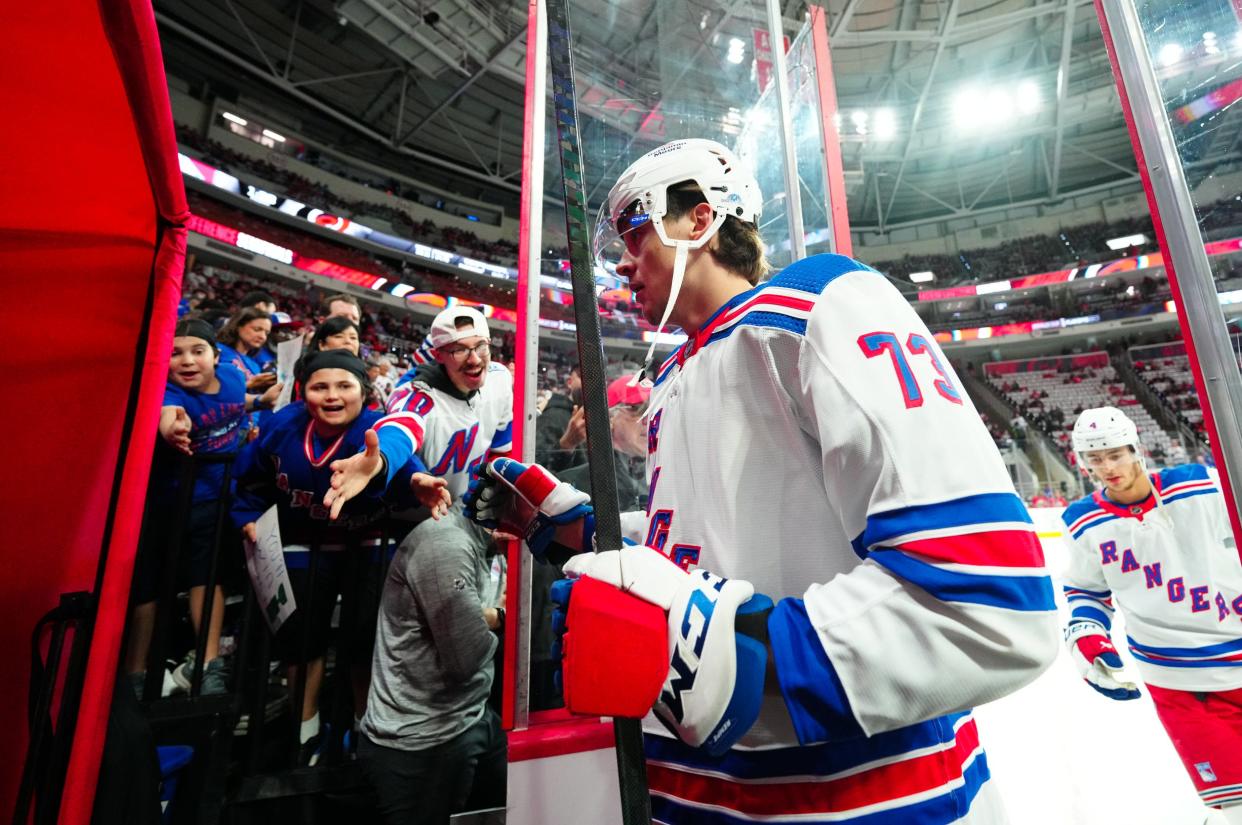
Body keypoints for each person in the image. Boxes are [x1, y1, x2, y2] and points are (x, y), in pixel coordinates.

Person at [466, 138, 1058, 822]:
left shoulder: (820, 306)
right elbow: (715, 548)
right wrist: (576, 530)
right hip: (705, 790)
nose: (623, 264)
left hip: (857, 796)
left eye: (634, 231)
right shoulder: (675, 375)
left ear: (700, 219)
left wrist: (754, 644)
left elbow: (990, 600)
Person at [348, 305, 512, 824]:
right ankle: (387, 740)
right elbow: (400, 430)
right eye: (458, 349)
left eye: (480, 346)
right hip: (413, 534)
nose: (473, 357)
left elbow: (500, 447)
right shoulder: (418, 394)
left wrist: (494, 499)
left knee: (456, 644)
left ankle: (458, 728)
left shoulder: (501, 383)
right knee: (419, 646)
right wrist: (396, 466)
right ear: (438, 356)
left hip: (462, 530)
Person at [231, 350, 435, 764]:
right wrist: (247, 516)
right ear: (303, 390)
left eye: (344, 385)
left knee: (364, 641)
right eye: (320, 386)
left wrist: (419, 484)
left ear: (363, 390)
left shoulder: (376, 431)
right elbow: (248, 481)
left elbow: (408, 471)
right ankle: (303, 729)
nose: (332, 396)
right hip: (302, 543)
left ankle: (365, 728)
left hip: (367, 543)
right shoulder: (279, 427)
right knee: (300, 639)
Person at [1060, 406, 1242, 820]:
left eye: (1115, 454)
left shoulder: (1199, 488)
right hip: (1178, 682)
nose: (1107, 467)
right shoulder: (1082, 522)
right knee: (1236, 809)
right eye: (1095, 458)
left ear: (1136, 448)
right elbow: (1085, 590)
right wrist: (1088, 639)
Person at [127, 319, 281, 696]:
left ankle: (208, 665)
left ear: (216, 355)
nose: (187, 361)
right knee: (149, 588)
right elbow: (169, 415)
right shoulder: (169, 394)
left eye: (197, 351)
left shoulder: (230, 376)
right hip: (166, 505)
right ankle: (135, 672)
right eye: (176, 353)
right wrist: (171, 430)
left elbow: (233, 402)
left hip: (214, 503)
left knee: (206, 578)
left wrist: (259, 402)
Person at [216, 307, 277, 394]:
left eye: (266, 333)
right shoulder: (218, 351)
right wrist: (250, 384)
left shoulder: (254, 365)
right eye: (257, 329)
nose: (262, 337)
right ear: (238, 326)